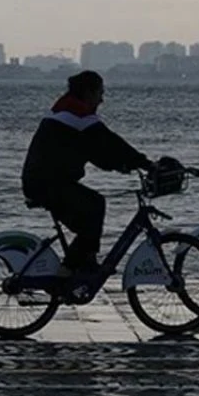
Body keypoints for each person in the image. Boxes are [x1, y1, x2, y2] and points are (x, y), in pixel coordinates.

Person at [21, 71, 155, 278]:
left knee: (89, 216)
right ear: (88, 92)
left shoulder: (66, 109)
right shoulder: (76, 113)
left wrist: (120, 165)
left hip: (45, 180)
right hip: (47, 183)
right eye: (100, 93)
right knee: (94, 206)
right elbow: (110, 141)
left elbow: (93, 151)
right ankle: (68, 270)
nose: (102, 99)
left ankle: (85, 263)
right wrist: (146, 164)